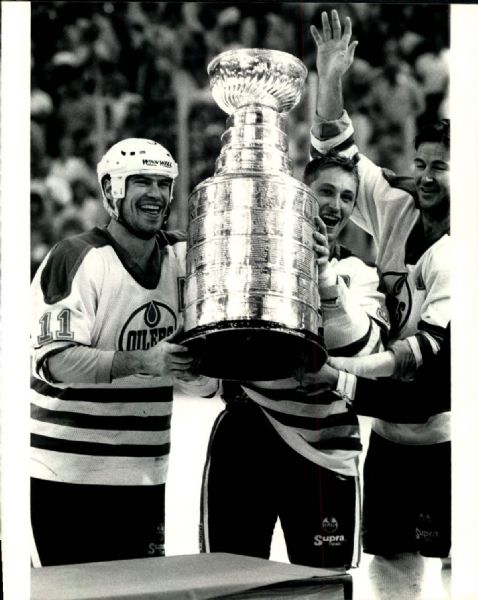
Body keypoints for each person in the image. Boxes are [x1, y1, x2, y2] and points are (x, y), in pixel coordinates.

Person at [30, 138, 218, 567]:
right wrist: (143, 362)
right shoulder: (76, 257)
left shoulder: (184, 257)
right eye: (141, 182)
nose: (155, 194)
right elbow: (55, 361)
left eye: (163, 183)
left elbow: (207, 378)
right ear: (112, 190)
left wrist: (198, 371)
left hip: (144, 475)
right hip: (67, 475)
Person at [199, 153, 389, 570]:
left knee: (324, 585)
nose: (335, 205)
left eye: (346, 197)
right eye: (325, 191)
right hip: (247, 436)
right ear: (301, 195)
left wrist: (322, 276)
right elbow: (210, 365)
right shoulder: (250, 263)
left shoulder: (360, 274)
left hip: (326, 446)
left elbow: (362, 349)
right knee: (228, 581)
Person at [309, 10, 450, 559]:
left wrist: (340, 374)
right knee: (388, 571)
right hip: (388, 434)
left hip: (445, 434)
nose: (428, 176)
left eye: (443, 165)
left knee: (449, 574)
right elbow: (335, 163)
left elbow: (425, 357)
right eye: (422, 163)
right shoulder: (400, 206)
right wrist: (331, 77)